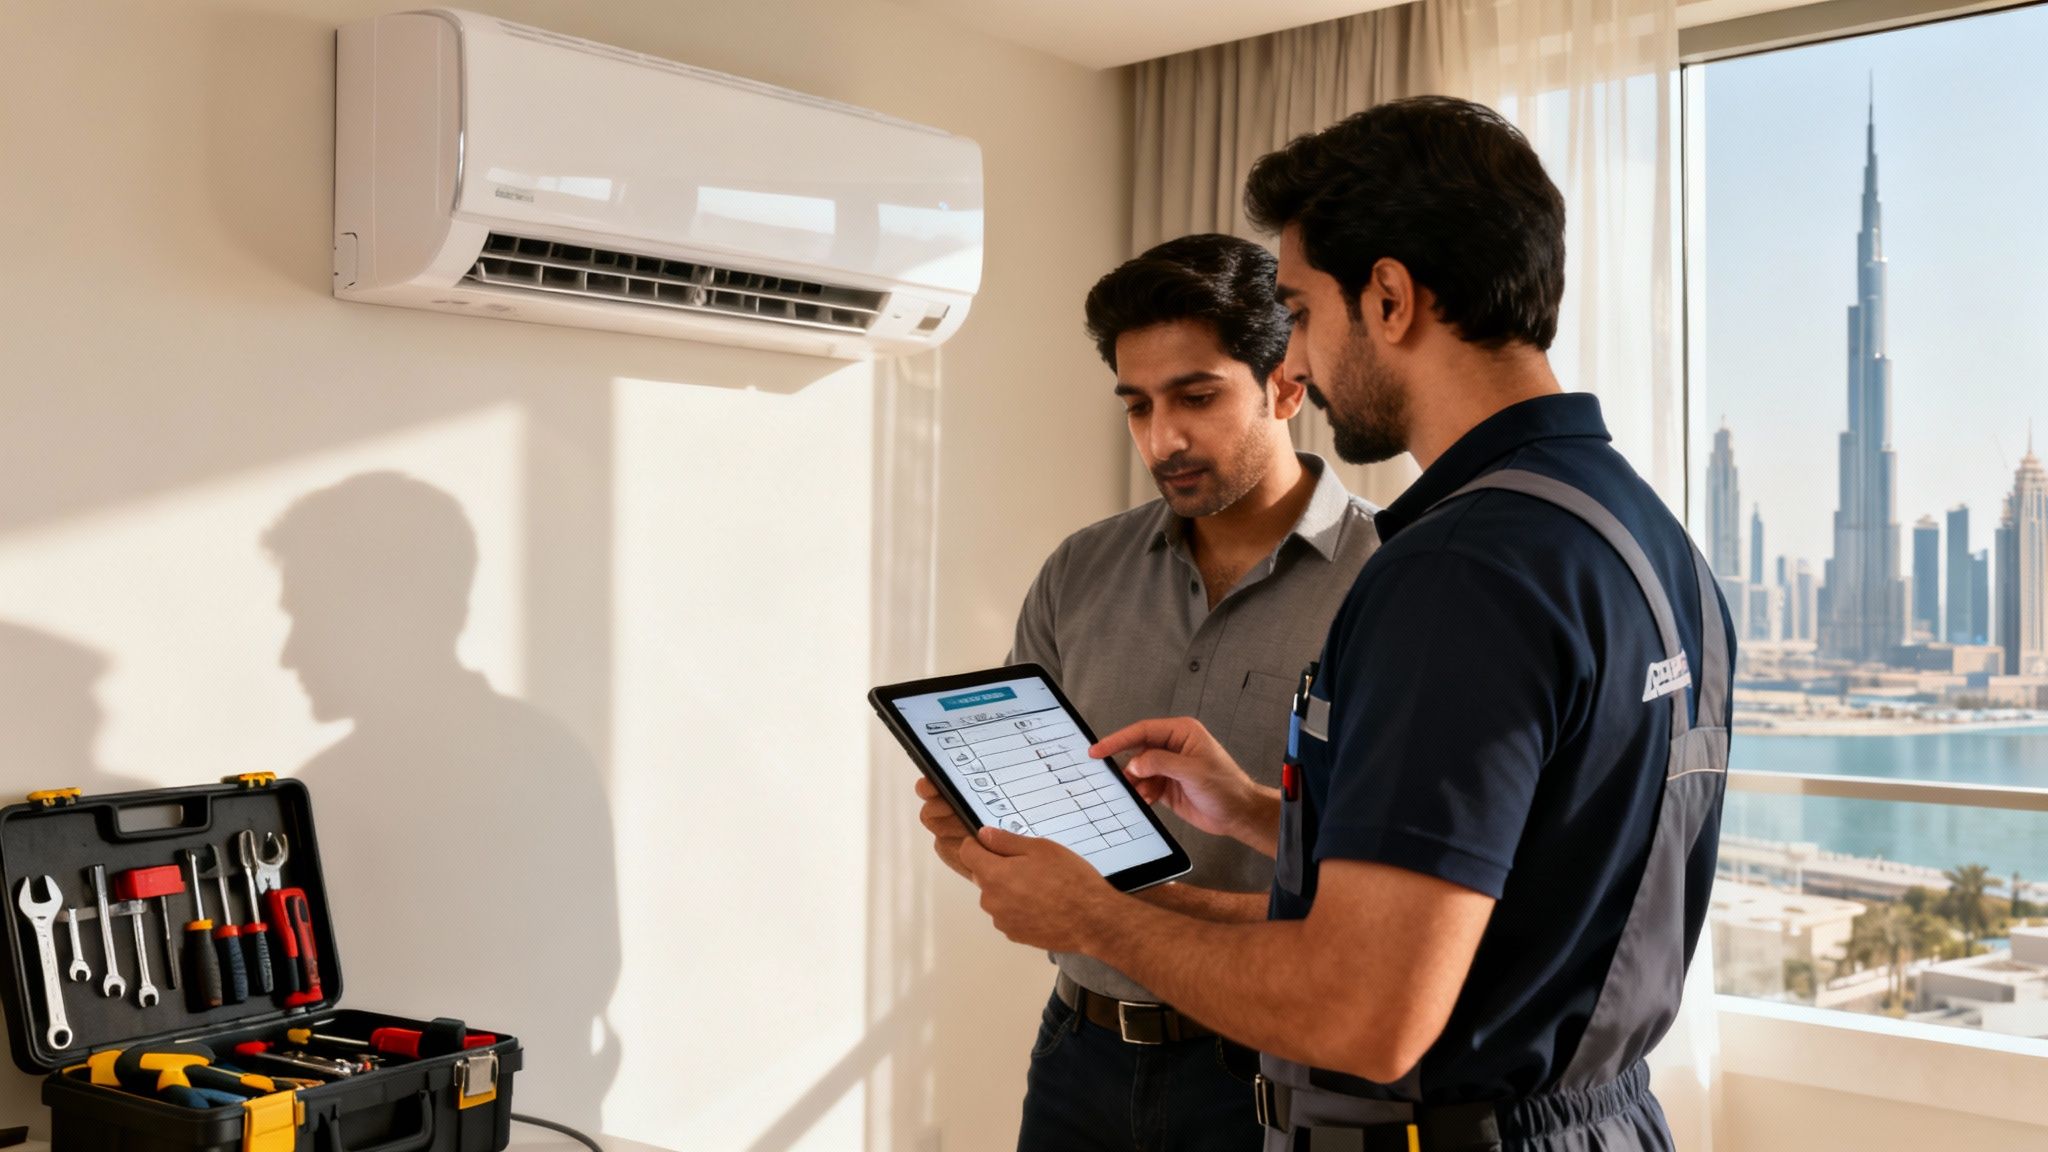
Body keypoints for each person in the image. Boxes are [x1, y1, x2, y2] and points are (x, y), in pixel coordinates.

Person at [955, 96, 1736, 1152]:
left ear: (1389, 297)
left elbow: (1361, 1012)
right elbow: (1513, 874)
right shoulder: (1638, 532)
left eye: (1303, 311)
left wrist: (1092, 918)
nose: (1304, 366)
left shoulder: (1457, 571)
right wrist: (1258, 813)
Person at [916, 233, 1378, 1151]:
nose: (1161, 438)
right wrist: (982, 841)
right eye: (1137, 404)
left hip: (1273, 1076)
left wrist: (1102, 908)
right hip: (1077, 1053)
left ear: (1286, 384)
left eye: (1196, 397)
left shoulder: (1391, 582)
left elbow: (1377, 913)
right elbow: (1024, 833)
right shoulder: (1079, 571)